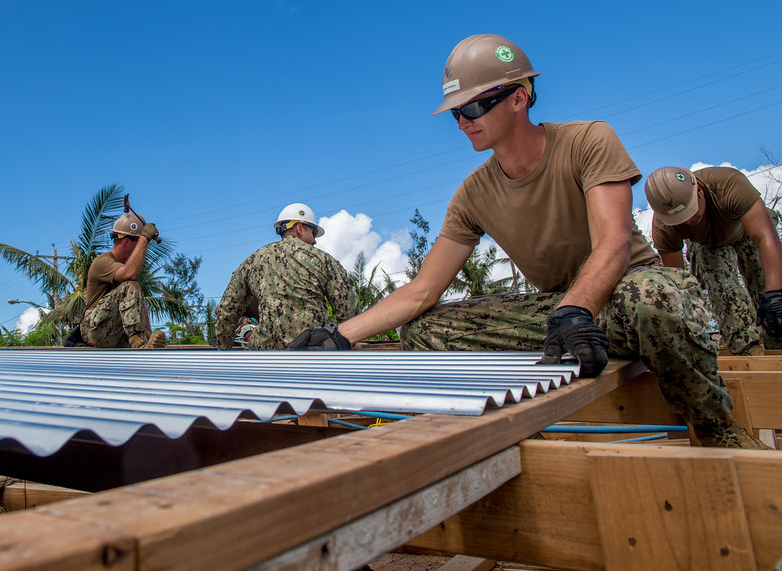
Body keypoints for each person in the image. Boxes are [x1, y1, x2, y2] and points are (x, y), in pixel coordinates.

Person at [288, 34, 766, 449]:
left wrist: (578, 310)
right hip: (559, 314)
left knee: (654, 297)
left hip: (626, 295)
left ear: (519, 97)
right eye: (455, 113)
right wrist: (339, 336)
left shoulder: (589, 142)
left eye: (474, 107)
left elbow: (614, 242)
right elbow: (422, 291)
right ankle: (523, 426)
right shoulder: (473, 192)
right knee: (426, 330)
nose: (463, 122)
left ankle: (713, 426)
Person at [645, 166, 782, 355]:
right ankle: (747, 347)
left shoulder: (729, 185)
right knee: (720, 284)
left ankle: (778, 341)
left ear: (699, 192)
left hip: (746, 232)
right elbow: (678, 281)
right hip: (708, 244)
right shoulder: (664, 225)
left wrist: (775, 294)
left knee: (767, 284)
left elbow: (765, 237)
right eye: (680, 219)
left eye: (691, 213)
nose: (688, 221)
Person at [215, 203, 357, 350]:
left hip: (264, 355)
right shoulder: (325, 260)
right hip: (315, 353)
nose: (315, 240)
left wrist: (224, 348)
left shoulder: (253, 261)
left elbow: (228, 308)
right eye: (313, 233)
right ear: (300, 228)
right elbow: (349, 312)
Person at [78, 213, 166, 349]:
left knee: (135, 293)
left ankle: (141, 340)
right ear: (127, 241)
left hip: (116, 332)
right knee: (131, 285)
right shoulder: (102, 262)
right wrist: (144, 238)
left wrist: (149, 337)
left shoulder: (126, 268)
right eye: (139, 242)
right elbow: (129, 274)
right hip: (94, 330)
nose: (142, 248)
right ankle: (137, 341)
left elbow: (139, 305)